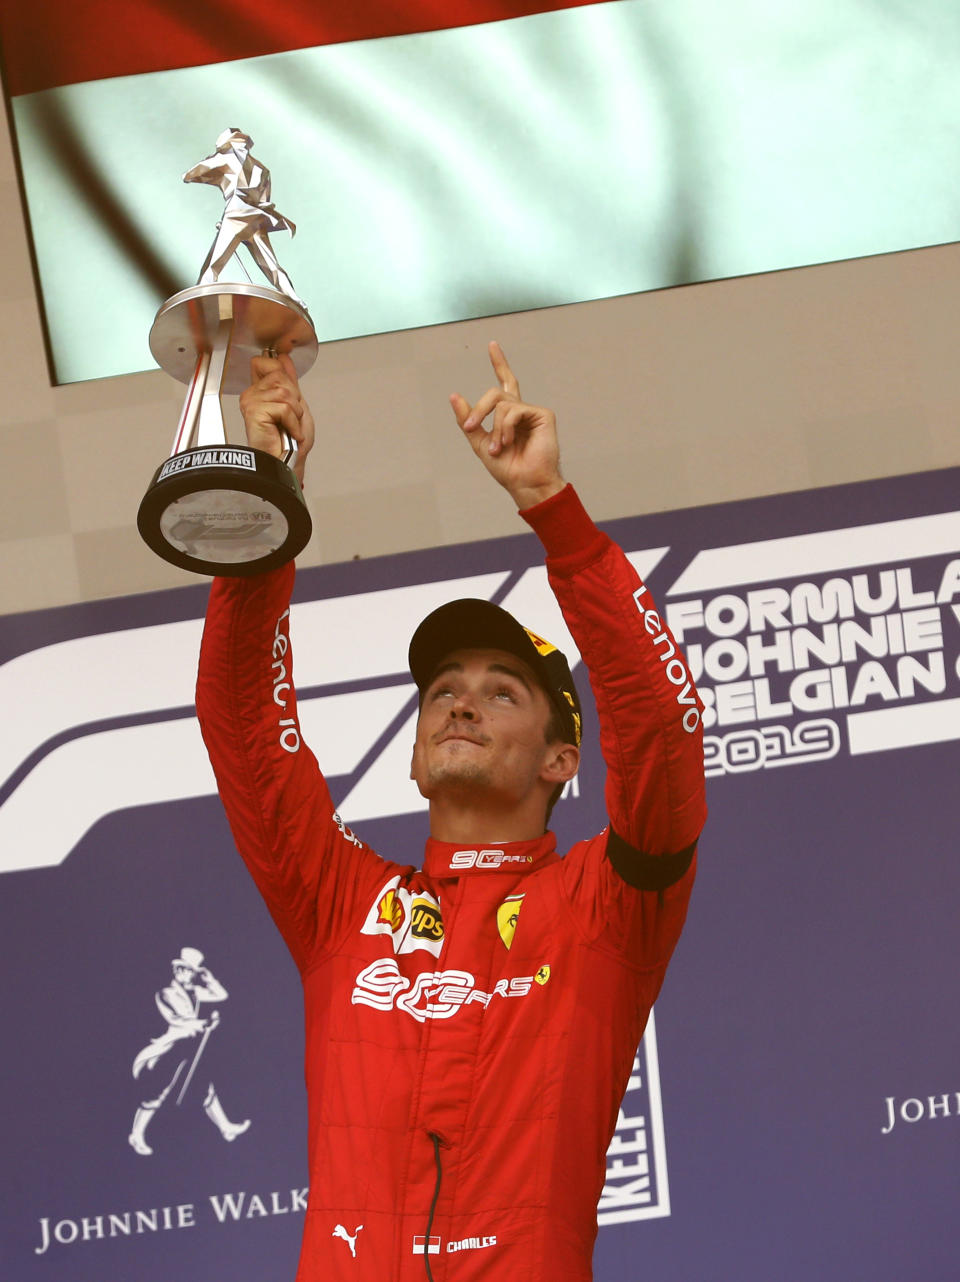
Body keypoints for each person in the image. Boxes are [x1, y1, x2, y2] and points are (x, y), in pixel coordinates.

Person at [196, 342, 706, 1280]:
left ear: (563, 758)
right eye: (442, 689)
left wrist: (555, 514)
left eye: (503, 691)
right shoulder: (340, 902)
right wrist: (268, 497)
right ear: (416, 755)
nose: (461, 702)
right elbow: (243, 727)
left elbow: (661, 729)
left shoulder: (607, 907)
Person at [129, 946, 249, 1155]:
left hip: (193, 1046)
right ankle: (136, 1135)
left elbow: (221, 995)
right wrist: (205, 1023)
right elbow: (179, 1020)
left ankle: (226, 1128)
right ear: (175, 970)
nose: (183, 973)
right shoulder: (166, 993)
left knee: (205, 1086)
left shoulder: (195, 992)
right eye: (180, 969)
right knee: (158, 1089)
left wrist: (210, 979)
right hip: (174, 1046)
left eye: (188, 970)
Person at [183, 127, 306, 306]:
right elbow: (265, 202)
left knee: (214, 263)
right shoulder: (262, 169)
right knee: (272, 267)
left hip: (236, 216)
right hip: (256, 220)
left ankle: (200, 299)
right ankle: (294, 299)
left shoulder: (225, 158)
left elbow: (193, 173)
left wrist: (190, 175)